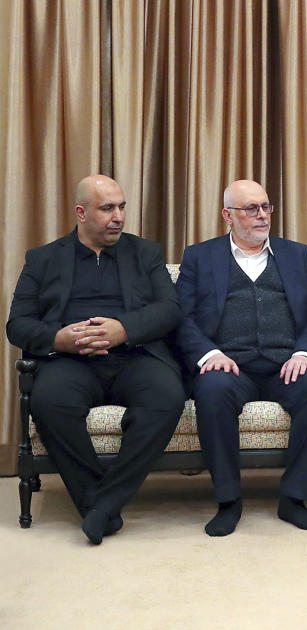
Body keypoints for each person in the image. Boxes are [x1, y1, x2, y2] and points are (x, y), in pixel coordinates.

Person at [6, 175, 185, 545]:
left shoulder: (145, 253)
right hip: (70, 361)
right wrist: (58, 339)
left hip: (134, 355)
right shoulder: (43, 259)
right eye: (107, 208)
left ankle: (101, 507)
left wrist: (124, 329)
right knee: (49, 402)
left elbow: (170, 310)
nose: (118, 216)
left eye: (121, 207)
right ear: (81, 213)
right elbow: (17, 325)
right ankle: (99, 504)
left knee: (167, 397)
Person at [175, 179, 307, 537]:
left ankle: (294, 498)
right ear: (227, 216)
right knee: (212, 390)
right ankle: (228, 500)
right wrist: (209, 353)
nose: (262, 215)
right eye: (251, 209)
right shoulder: (199, 257)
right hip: (229, 366)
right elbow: (180, 317)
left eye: (266, 206)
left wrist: (305, 353)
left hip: (286, 365)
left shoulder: (298, 255)